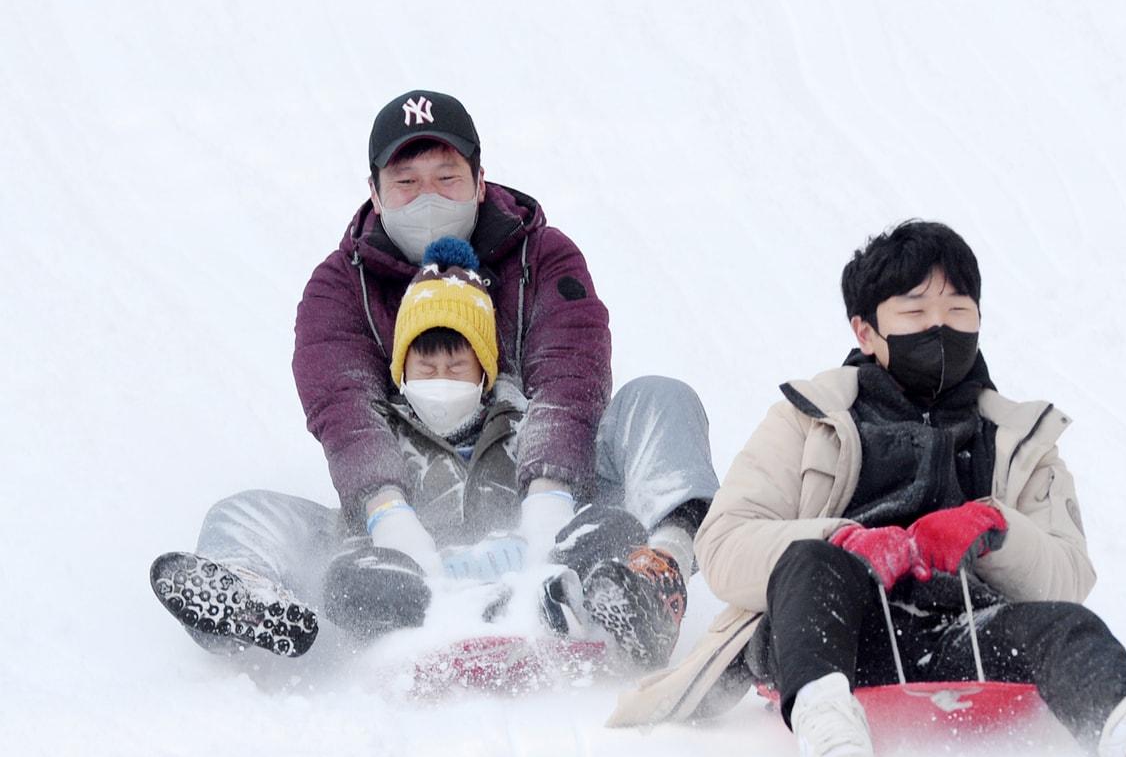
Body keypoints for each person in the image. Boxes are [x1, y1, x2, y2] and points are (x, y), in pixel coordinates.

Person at [607, 220, 1126, 757]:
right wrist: (846, 541)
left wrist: (996, 529)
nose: (939, 329)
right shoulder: (810, 418)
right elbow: (724, 544)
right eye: (915, 314)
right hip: (826, 628)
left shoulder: (1018, 436)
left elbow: (1070, 580)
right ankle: (827, 723)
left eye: (957, 312)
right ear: (866, 332)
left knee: (1067, 627)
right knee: (813, 564)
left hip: (956, 631)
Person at [151, 223, 717, 664]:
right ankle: (246, 595)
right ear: (400, 370)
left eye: (456, 364)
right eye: (426, 364)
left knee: (653, 413)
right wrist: (384, 527)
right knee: (250, 514)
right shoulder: (384, 442)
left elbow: (574, 455)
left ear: (486, 371)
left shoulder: (528, 423)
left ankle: (649, 578)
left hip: (547, 570)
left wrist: (554, 524)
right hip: (412, 583)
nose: (440, 377)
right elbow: (356, 508)